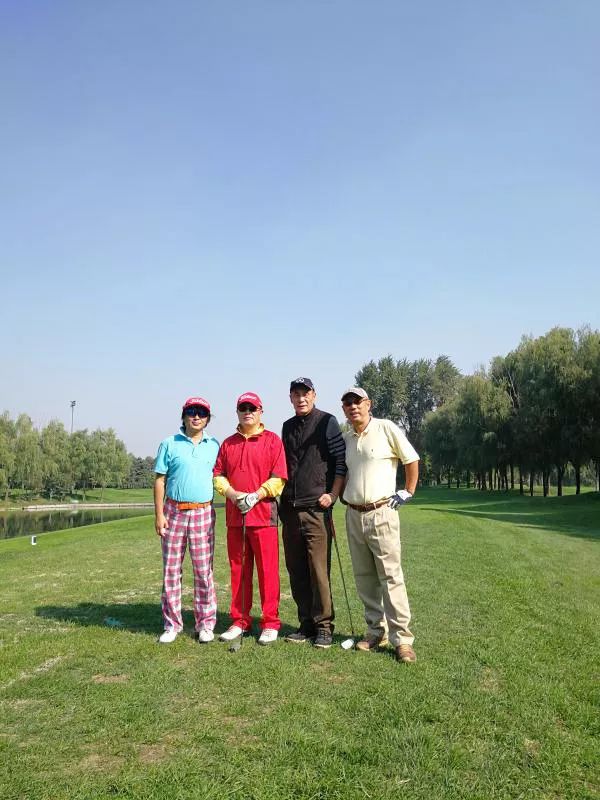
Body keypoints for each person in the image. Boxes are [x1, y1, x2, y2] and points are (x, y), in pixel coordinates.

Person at [341, 387, 420, 663]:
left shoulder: (386, 428)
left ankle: (402, 640)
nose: (353, 406)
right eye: (347, 403)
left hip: (382, 511)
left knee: (390, 577)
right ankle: (376, 632)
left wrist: (408, 490)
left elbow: (411, 458)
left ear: (368, 404)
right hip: (353, 514)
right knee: (365, 578)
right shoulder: (346, 437)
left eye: (357, 401)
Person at [213, 392, 287, 645]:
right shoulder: (228, 444)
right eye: (243, 408)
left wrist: (256, 495)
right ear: (237, 412)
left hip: (264, 517)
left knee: (268, 572)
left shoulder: (273, 441)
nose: (247, 412)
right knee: (239, 571)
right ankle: (240, 621)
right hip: (236, 518)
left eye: (252, 408)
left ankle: (270, 623)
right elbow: (218, 476)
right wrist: (233, 495)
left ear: (260, 411)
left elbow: (279, 478)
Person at [280, 377, 347, 649]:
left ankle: (324, 627)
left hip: (316, 510)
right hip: (290, 510)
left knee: (318, 571)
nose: (301, 399)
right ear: (291, 398)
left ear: (314, 395)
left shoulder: (327, 421)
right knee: (296, 571)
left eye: (305, 394)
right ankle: (306, 624)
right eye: (296, 394)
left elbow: (340, 462)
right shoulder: (287, 426)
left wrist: (332, 495)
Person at [154, 396, 220, 644]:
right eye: (191, 412)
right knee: (171, 571)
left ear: (208, 419)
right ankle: (172, 624)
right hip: (173, 512)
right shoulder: (169, 443)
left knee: (203, 571)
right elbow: (160, 480)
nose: (196, 416)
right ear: (183, 416)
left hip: (203, 512)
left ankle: (205, 624)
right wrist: (159, 514)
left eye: (202, 413)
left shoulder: (214, 445)